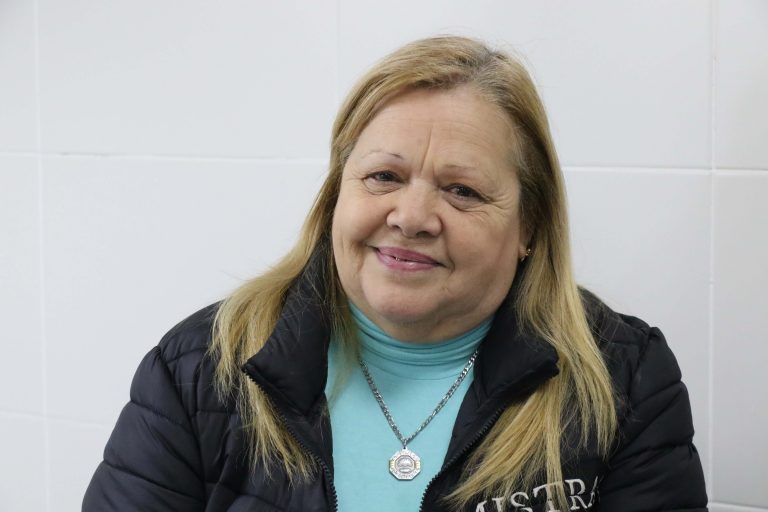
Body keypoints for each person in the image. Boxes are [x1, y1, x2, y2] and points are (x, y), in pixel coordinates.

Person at [83, 36, 708, 511]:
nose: (410, 217)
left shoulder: (626, 380)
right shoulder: (199, 369)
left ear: (529, 228)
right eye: (383, 176)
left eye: (462, 190)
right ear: (337, 195)